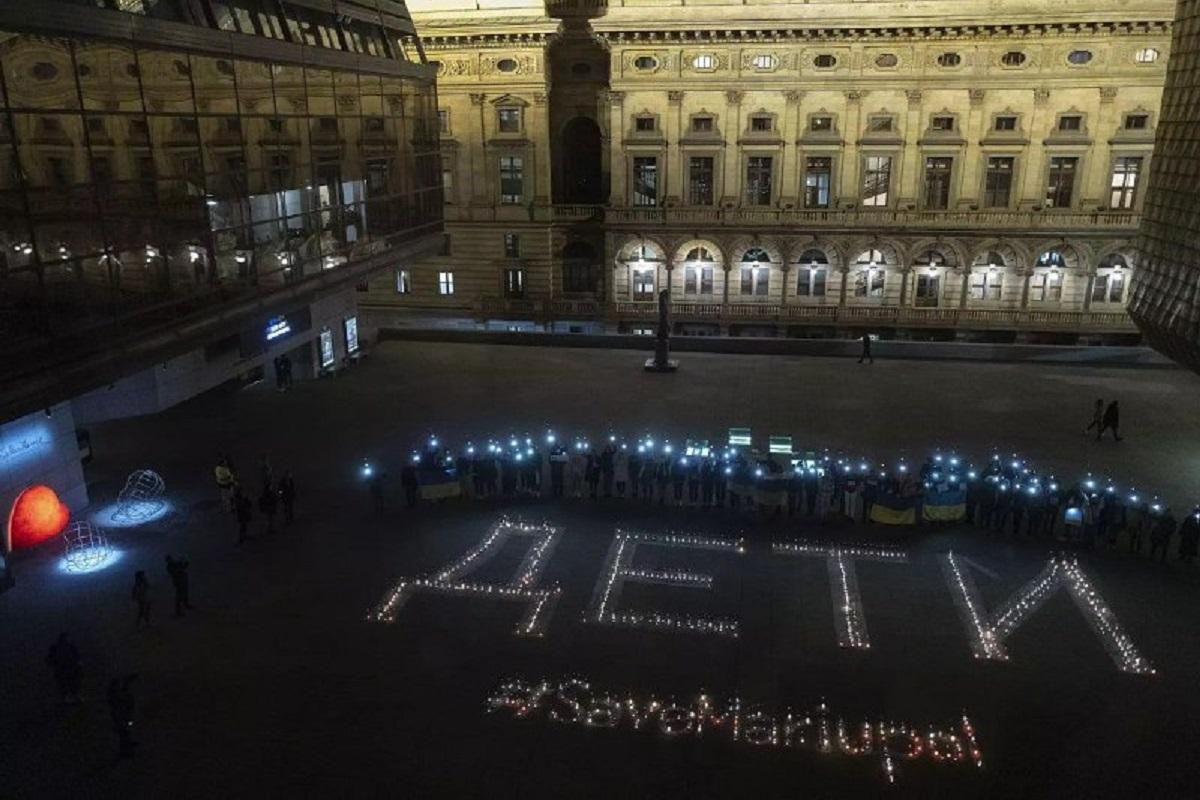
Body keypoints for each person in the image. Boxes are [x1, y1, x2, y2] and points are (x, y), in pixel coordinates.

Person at [46, 633, 81, 704]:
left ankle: (73, 696)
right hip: (61, 669)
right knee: (63, 683)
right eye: (66, 638)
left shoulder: (71, 647)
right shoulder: (56, 648)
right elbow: (50, 658)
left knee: (72, 683)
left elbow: (77, 657)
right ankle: (66, 697)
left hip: (70, 668)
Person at [107, 675, 136, 759]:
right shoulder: (117, 697)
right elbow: (124, 703)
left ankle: (127, 746)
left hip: (123, 717)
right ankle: (125, 751)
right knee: (124, 733)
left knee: (126, 731)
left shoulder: (116, 696)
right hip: (121, 717)